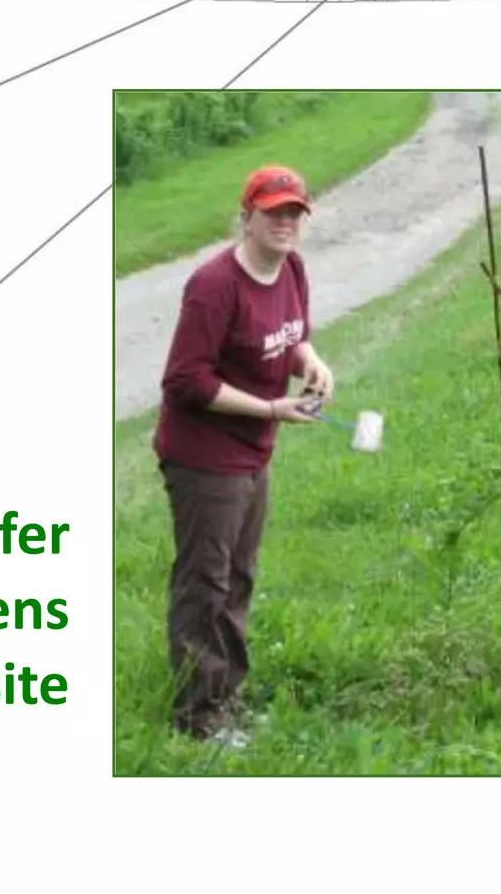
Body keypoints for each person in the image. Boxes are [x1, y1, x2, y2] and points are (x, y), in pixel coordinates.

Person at [153, 164, 335, 744]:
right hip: (203, 454)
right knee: (204, 583)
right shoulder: (214, 286)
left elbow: (292, 334)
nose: (284, 222)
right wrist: (272, 409)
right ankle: (197, 720)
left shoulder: (292, 269)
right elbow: (185, 380)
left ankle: (223, 695)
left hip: (252, 451)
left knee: (238, 576)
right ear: (246, 215)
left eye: (294, 212)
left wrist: (311, 363)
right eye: (273, 211)